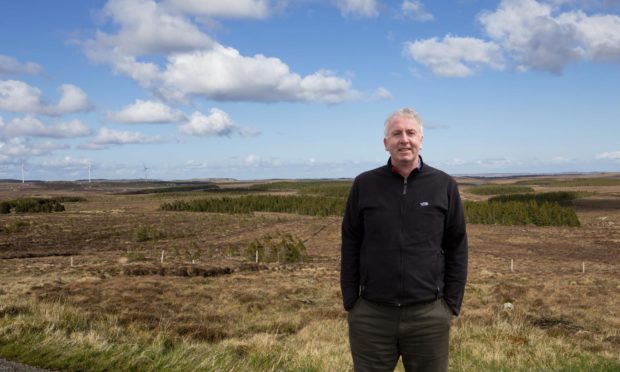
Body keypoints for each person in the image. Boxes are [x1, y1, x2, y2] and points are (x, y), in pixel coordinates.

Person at [341, 108, 468, 372]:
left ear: (421, 139)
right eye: (396, 133)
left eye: (410, 133)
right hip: (372, 315)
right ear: (385, 143)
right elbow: (351, 243)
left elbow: (456, 246)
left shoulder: (444, 185)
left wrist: (450, 305)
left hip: (429, 316)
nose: (404, 139)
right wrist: (352, 302)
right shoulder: (364, 184)